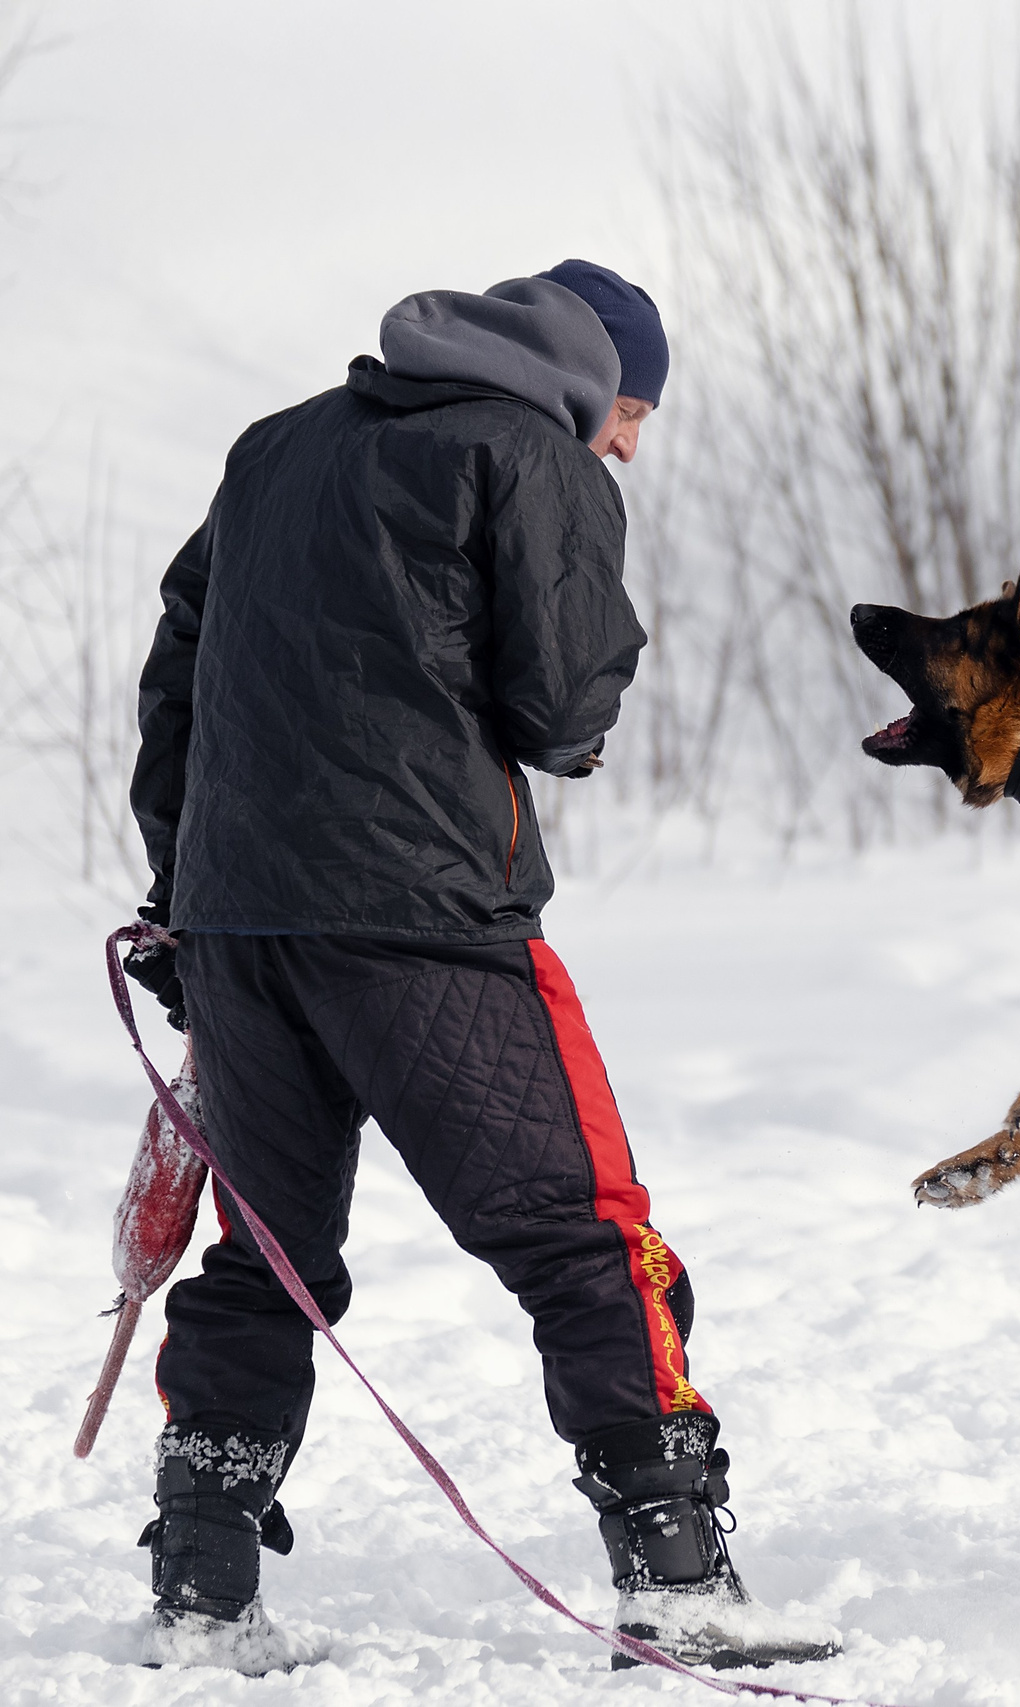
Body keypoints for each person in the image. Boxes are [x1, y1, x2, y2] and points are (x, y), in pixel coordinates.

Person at [122, 262, 836, 1672]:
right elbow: (561, 708)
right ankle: (677, 1576)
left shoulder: (276, 445)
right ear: (582, 383)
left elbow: (176, 679)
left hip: (238, 923)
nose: (628, 441)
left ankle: (201, 1585)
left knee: (268, 1254)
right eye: (631, 408)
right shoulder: (529, 455)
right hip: (427, 919)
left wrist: (182, 898)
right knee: (587, 1236)